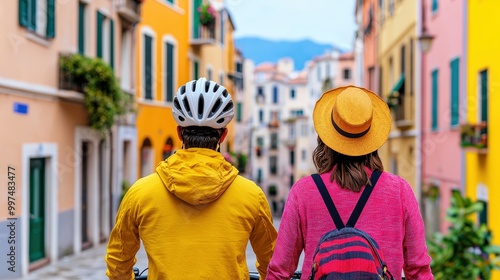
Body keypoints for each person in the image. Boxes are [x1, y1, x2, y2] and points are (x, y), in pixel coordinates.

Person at [105, 78, 277, 279]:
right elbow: (272, 263)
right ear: (223, 136)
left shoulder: (140, 193)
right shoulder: (251, 195)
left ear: (179, 132)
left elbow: (118, 260)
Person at [266, 85, 433, 279]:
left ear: (326, 138)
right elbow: (418, 270)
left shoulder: (304, 192)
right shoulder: (399, 191)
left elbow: (280, 271)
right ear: (372, 139)